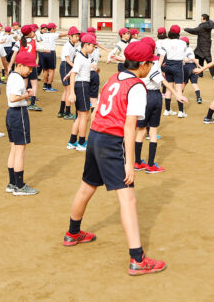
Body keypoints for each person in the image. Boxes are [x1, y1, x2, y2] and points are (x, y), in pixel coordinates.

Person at [63, 39, 167, 276]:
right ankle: (137, 259)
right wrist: (130, 162)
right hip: (112, 142)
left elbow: (99, 108)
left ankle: (72, 233)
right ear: (141, 64)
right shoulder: (137, 86)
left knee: (87, 187)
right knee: (128, 199)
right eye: (150, 62)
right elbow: (130, 127)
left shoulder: (114, 78)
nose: (151, 66)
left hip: (96, 136)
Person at [134, 37, 188, 173]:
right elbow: (161, 80)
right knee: (152, 130)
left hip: (140, 95)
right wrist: (177, 94)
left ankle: (138, 162)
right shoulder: (153, 63)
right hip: (153, 96)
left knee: (140, 130)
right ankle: (151, 164)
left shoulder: (136, 62)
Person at [4, 51, 39, 195]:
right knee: (20, 150)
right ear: (20, 65)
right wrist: (27, 95)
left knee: (14, 148)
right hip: (18, 115)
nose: (30, 71)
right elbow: (13, 98)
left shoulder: (13, 76)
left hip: (11, 115)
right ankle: (19, 186)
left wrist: (24, 93)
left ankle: (12, 183)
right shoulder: (18, 79)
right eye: (28, 68)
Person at [66, 33, 98, 151]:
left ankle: (73, 141)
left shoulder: (86, 56)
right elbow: (73, 74)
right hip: (82, 86)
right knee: (85, 116)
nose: (94, 48)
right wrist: (72, 93)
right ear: (86, 45)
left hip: (83, 85)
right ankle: (81, 142)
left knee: (80, 116)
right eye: (92, 46)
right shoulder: (79, 57)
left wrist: (94, 67)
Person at [7, 25, 41, 111]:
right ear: (30, 32)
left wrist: (10, 65)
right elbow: (41, 48)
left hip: (21, 66)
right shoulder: (33, 41)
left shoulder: (19, 41)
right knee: (34, 83)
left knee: (24, 83)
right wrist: (47, 50)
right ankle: (32, 103)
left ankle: (23, 97)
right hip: (31, 65)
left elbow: (14, 54)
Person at [161, 25, 187, 117]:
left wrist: (160, 66)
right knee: (178, 88)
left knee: (169, 88)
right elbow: (183, 54)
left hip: (168, 66)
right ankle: (181, 111)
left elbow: (162, 56)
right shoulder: (183, 43)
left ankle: (167, 110)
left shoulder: (165, 43)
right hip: (178, 66)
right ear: (178, 33)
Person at [37, 23, 68, 92]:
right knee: (51, 70)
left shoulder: (43, 34)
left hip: (43, 52)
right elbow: (61, 35)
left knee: (45, 70)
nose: (56, 29)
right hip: (50, 53)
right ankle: (49, 86)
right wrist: (69, 32)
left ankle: (45, 85)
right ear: (53, 29)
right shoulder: (53, 34)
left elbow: (38, 40)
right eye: (55, 28)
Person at [184, 13, 214, 79]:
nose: (201, 20)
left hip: (202, 45)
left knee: (208, 60)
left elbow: (194, 31)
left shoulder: (202, 26)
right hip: (205, 44)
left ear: (204, 19)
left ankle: (213, 74)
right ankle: (201, 73)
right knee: (200, 57)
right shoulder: (209, 24)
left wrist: (185, 29)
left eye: (201, 19)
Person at [58, 27, 80, 120]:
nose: (77, 38)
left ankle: (61, 111)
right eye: (75, 36)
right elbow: (67, 59)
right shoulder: (67, 45)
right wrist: (75, 66)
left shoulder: (74, 45)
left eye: (78, 36)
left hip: (69, 65)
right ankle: (67, 112)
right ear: (70, 36)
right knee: (68, 91)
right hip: (66, 66)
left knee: (66, 90)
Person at [180, 36, 202, 104]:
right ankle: (198, 97)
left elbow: (192, 58)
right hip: (192, 66)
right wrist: (198, 66)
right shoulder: (189, 49)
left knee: (184, 83)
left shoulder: (184, 49)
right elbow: (192, 59)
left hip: (186, 67)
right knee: (194, 83)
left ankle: (180, 96)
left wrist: (198, 65)